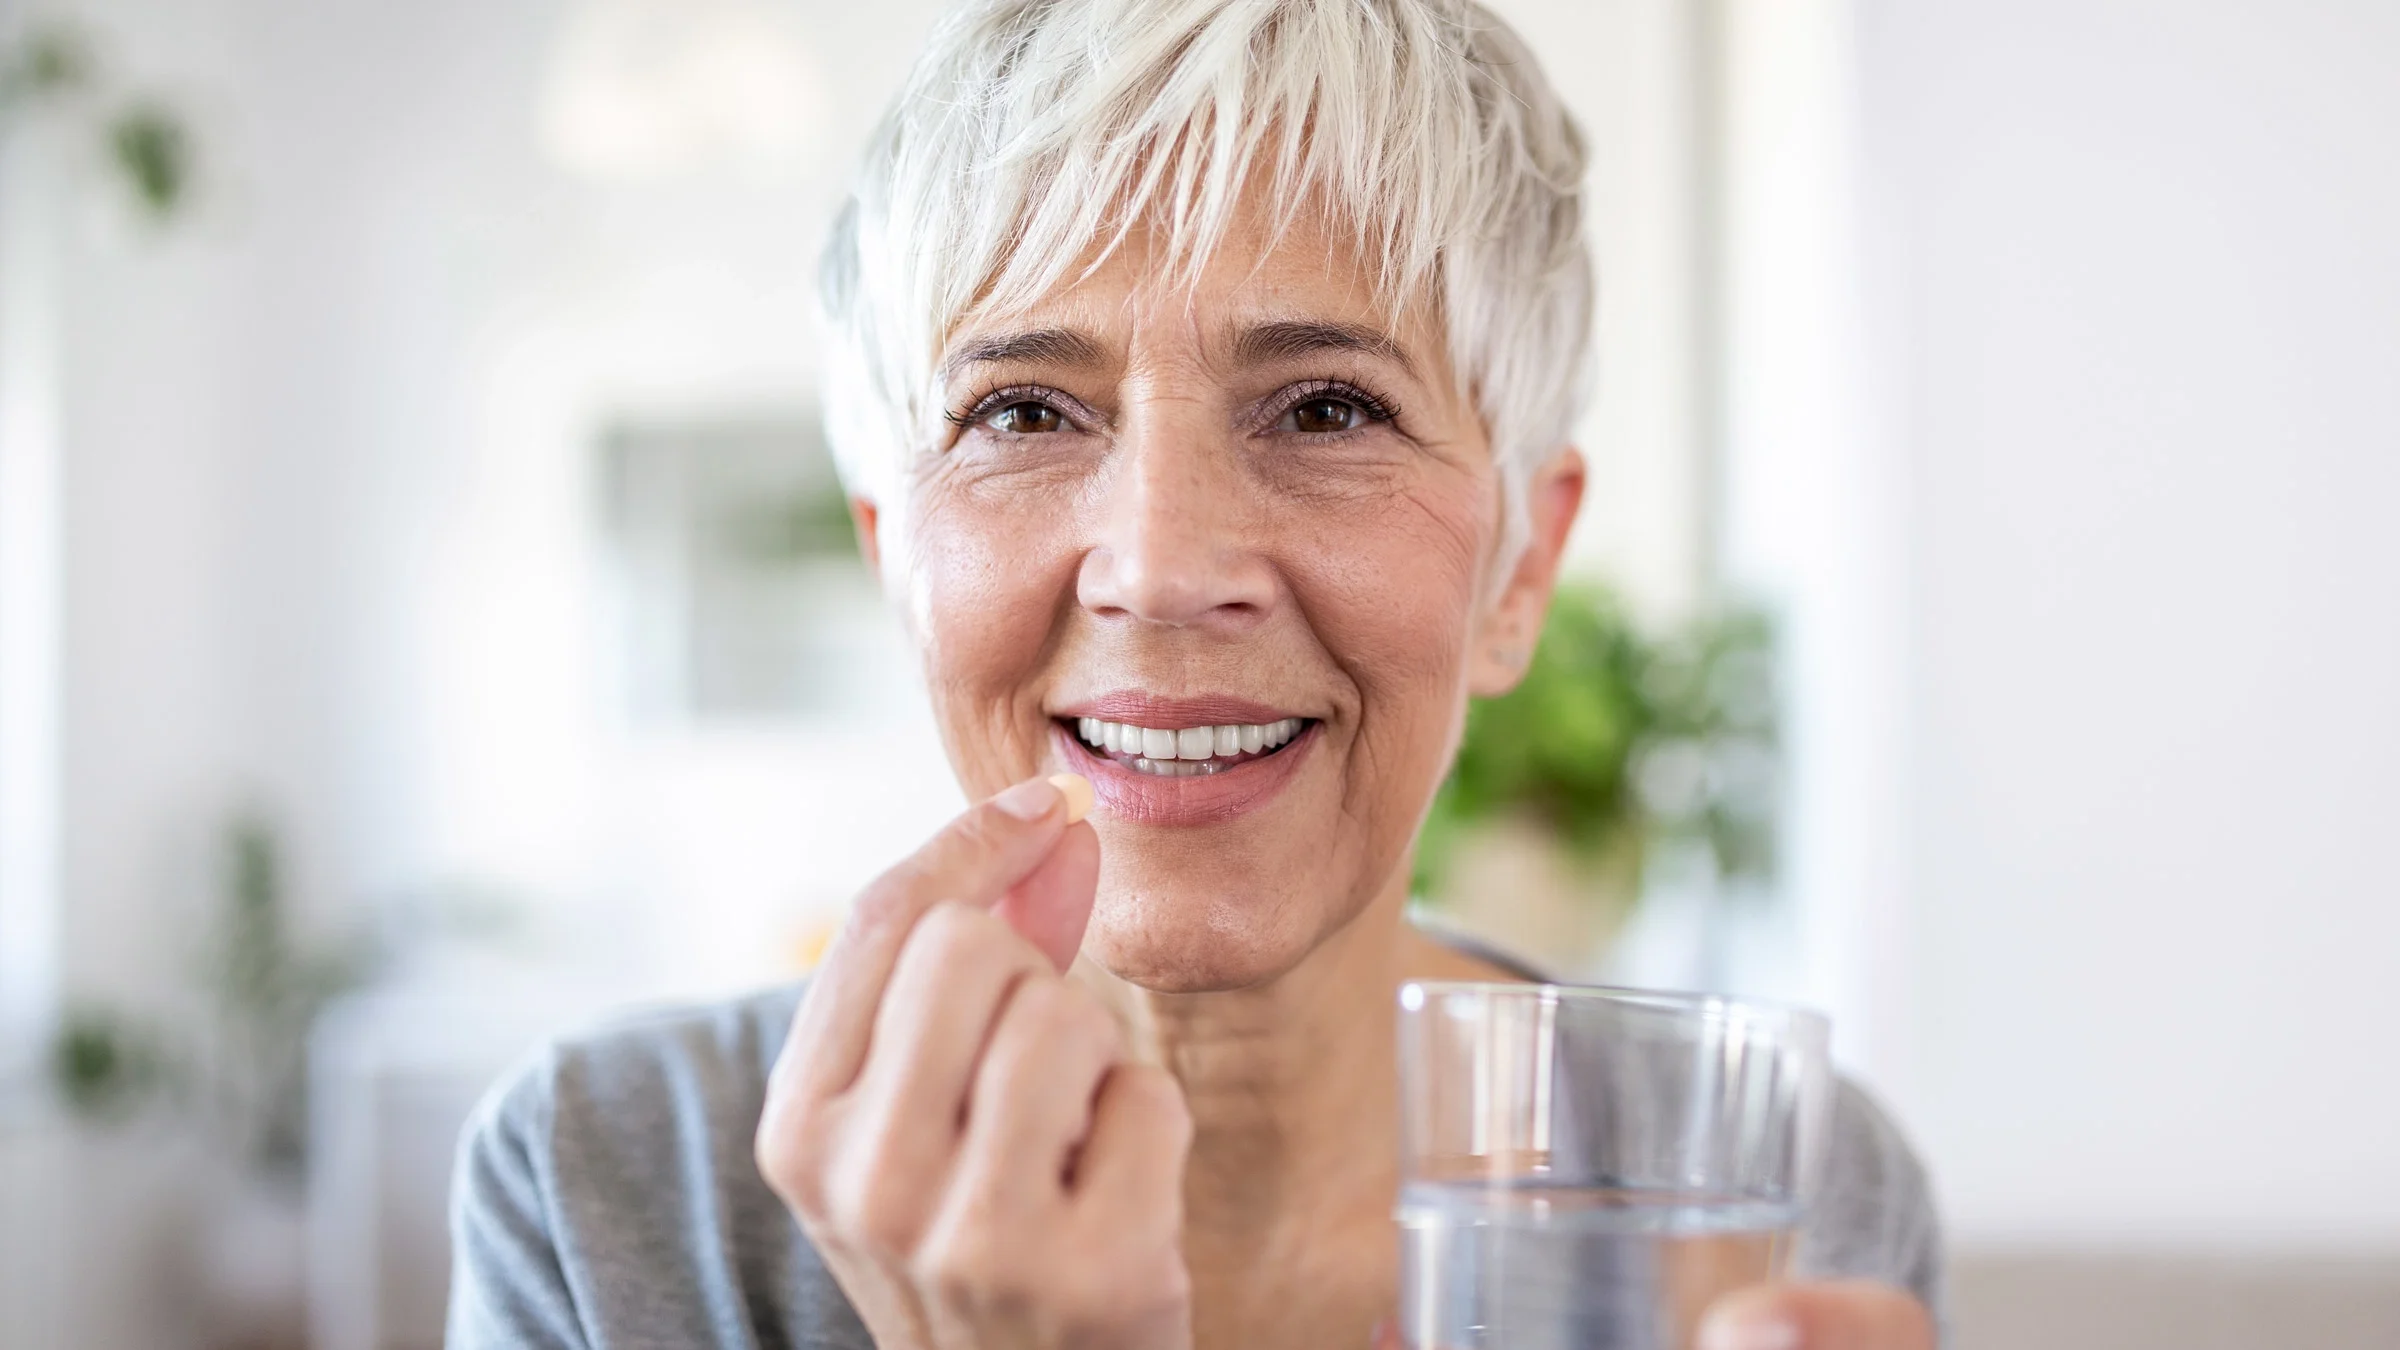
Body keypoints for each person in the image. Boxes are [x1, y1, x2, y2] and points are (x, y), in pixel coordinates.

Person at [446, 1, 1942, 1346]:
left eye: (1329, 407)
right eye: (1024, 413)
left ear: (1521, 573)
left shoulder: (1772, 1189)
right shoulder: (597, 1190)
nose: (1159, 563)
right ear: (896, 559)